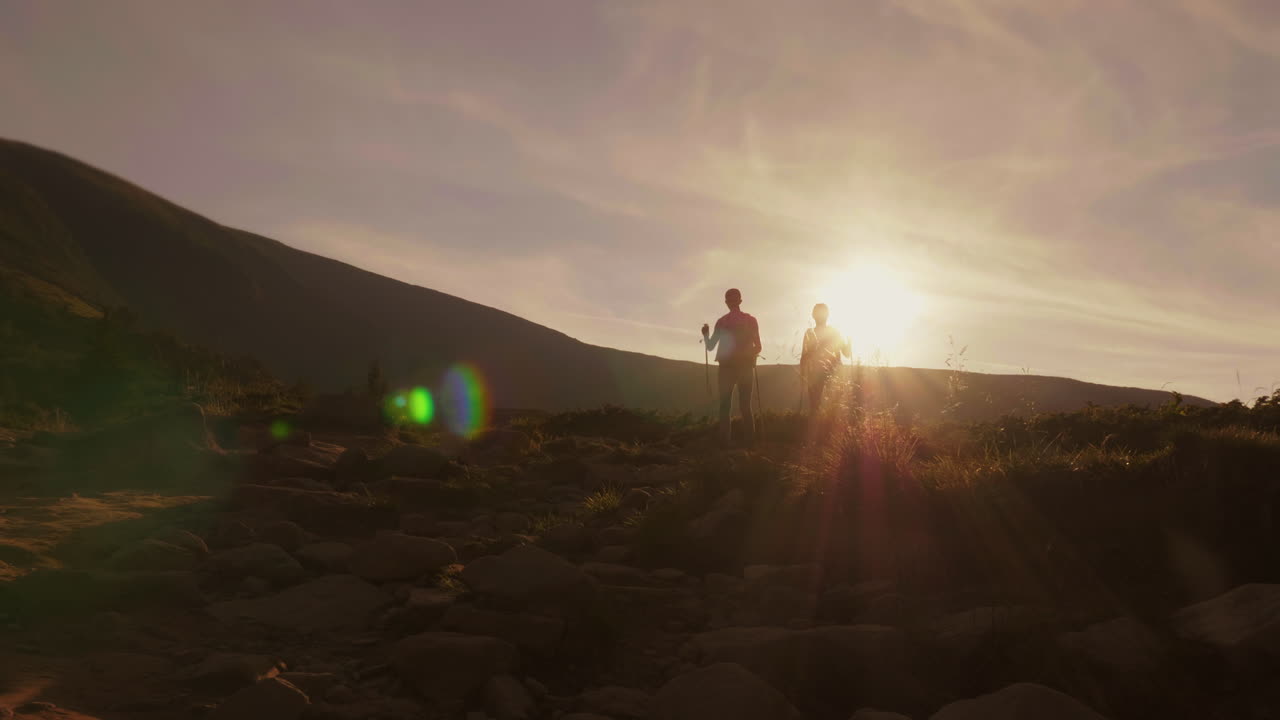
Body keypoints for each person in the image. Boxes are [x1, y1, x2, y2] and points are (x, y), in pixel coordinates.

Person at [702, 288, 762, 447]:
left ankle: (724, 441)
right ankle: (750, 442)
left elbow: (710, 346)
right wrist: (749, 355)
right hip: (745, 366)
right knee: (745, 405)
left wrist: (705, 334)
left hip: (726, 367)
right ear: (740, 301)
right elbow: (758, 347)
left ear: (726, 303)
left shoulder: (722, 322)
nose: (732, 303)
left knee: (724, 405)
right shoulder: (750, 320)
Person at [800, 303, 851, 412]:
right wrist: (849, 343)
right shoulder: (834, 332)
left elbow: (803, 357)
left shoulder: (810, 333)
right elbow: (847, 353)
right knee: (832, 406)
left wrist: (802, 374)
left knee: (816, 406)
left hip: (817, 374)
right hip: (832, 373)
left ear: (813, 315)